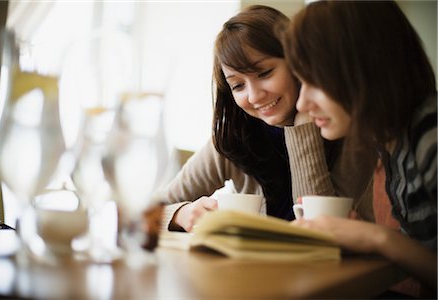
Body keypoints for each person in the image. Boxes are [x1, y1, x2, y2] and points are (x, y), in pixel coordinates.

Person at [154, 5, 375, 233]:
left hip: (345, 268)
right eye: (238, 85)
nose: (254, 96)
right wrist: (181, 213)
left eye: (265, 73)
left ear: (297, 62)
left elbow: (323, 232)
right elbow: (146, 211)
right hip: (255, 267)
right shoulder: (236, 139)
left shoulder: (348, 133)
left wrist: (303, 127)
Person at [281, 0, 437, 292]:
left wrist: (375, 238)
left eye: (316, 81)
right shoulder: (394, 144)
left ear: (366, 66)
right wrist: (355, 235)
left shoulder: (430, 131)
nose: (302, 103)